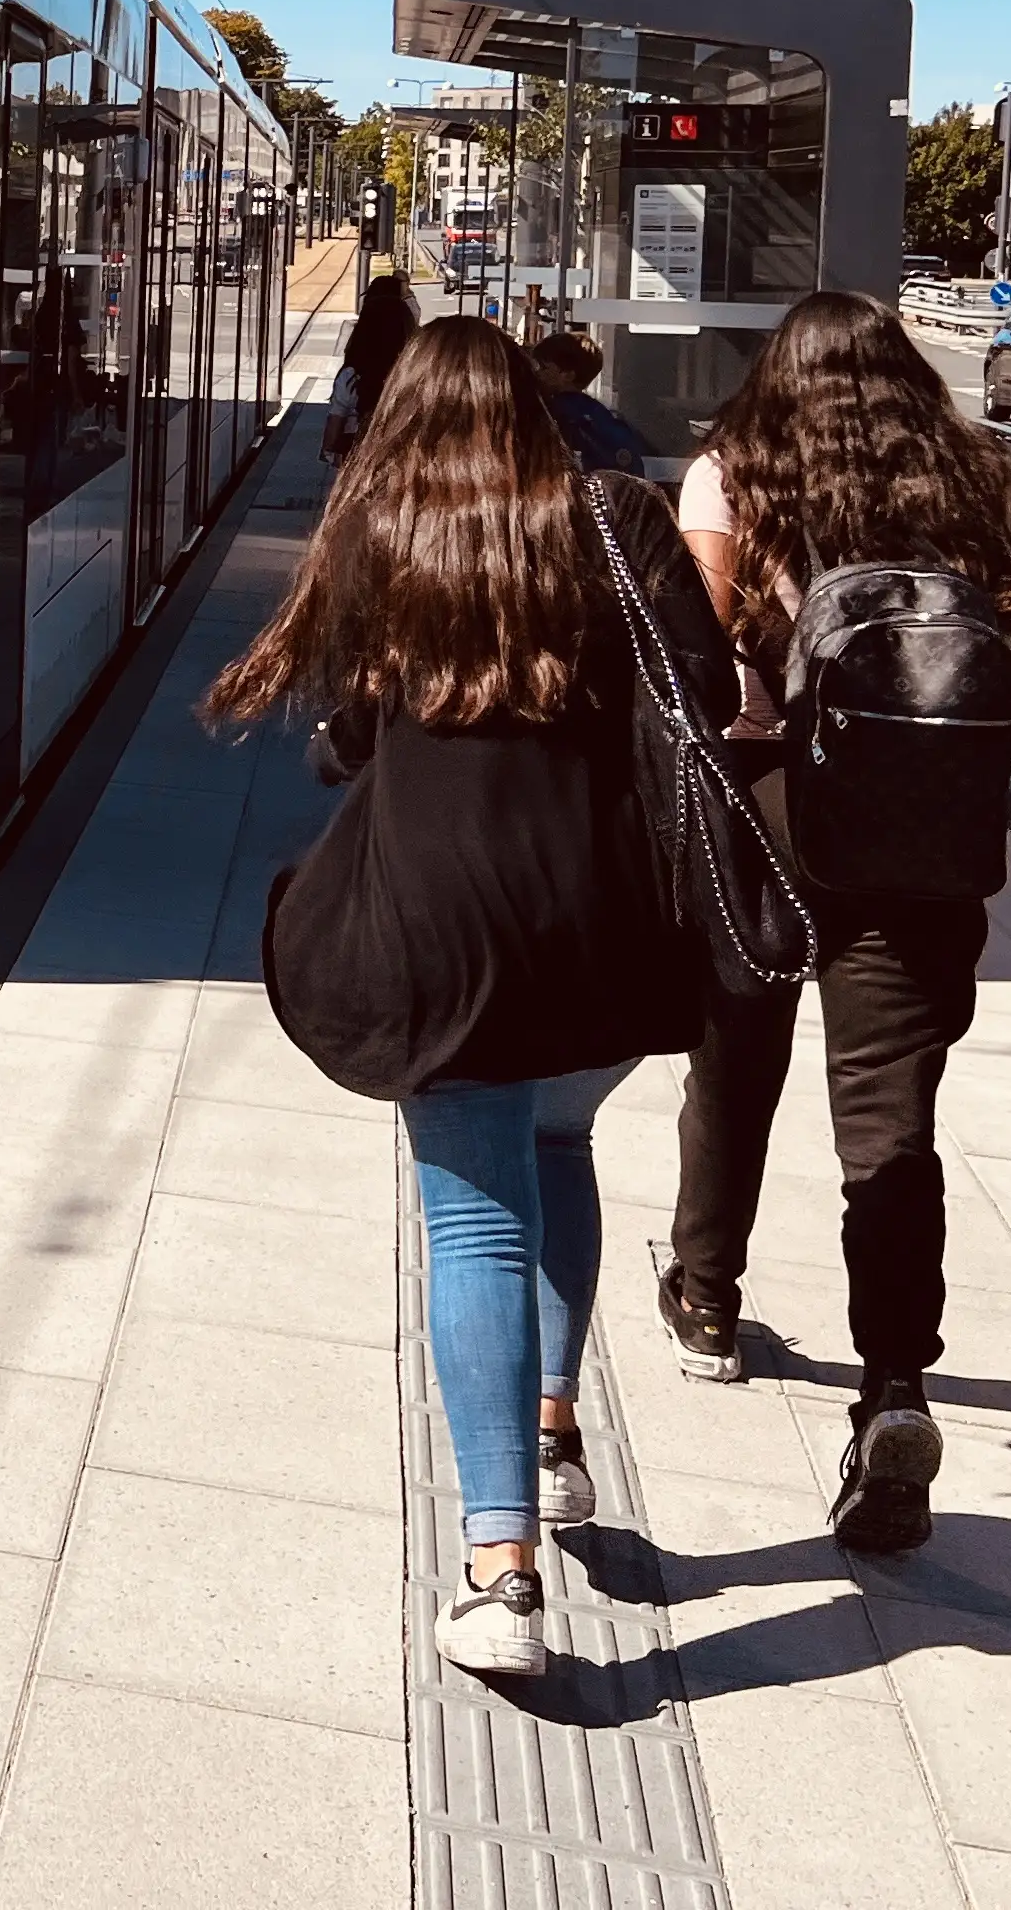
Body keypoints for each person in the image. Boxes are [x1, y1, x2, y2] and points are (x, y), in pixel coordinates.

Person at [209, 316, 730, 1680]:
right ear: (536, 407)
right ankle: (554, 1432)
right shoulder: (619, 519)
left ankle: (503, 1572)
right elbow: (707, 690)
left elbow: (348, 727)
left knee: (476, 1222)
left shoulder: (384, 531)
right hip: (609, 925)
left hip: (442, 931)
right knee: (561, 1142)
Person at [660, 289, 1011, 1556]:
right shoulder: (969, 478)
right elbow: (1006, 633)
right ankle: (895, 1386)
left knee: (734, 1059)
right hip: (922, 831)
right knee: (890, 1117)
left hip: (771, 802)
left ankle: (708, 1299)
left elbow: (702, 646)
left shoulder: (734, 472)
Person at [321, 272, 418, 463]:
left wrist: (330, 450)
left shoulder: (351, 376)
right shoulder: (415, 373)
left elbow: (334, 428)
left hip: (357, 461)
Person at [530, 328, 649, 475]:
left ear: (568, 376)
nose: (536, 373)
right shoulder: (602, 415)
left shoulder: (553, 414)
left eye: (543, 367)